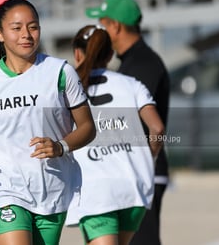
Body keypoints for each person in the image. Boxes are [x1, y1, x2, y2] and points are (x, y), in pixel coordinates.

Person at [0, 0, 96, 245]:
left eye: (33, 27)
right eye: (16, 28)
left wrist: (60, 146)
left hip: (51, 188)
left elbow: (87, 128)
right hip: (0, 187)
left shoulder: (60, 73)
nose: (26, 35)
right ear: (0, 34)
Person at [65, 25, 165, 245]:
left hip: (96, 190)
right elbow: (157, 129)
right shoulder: (132, 85)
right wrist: (149, 160)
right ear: (110, 55)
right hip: (134, 186)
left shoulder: (67, 89)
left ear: (77, 53)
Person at [84, 0, 171, 245]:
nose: (99, 32)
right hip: (131, 172)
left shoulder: (142, 65)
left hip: (142, 174)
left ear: (116, 26)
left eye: (102, 25)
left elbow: (144, 125)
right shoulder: (131, 63)